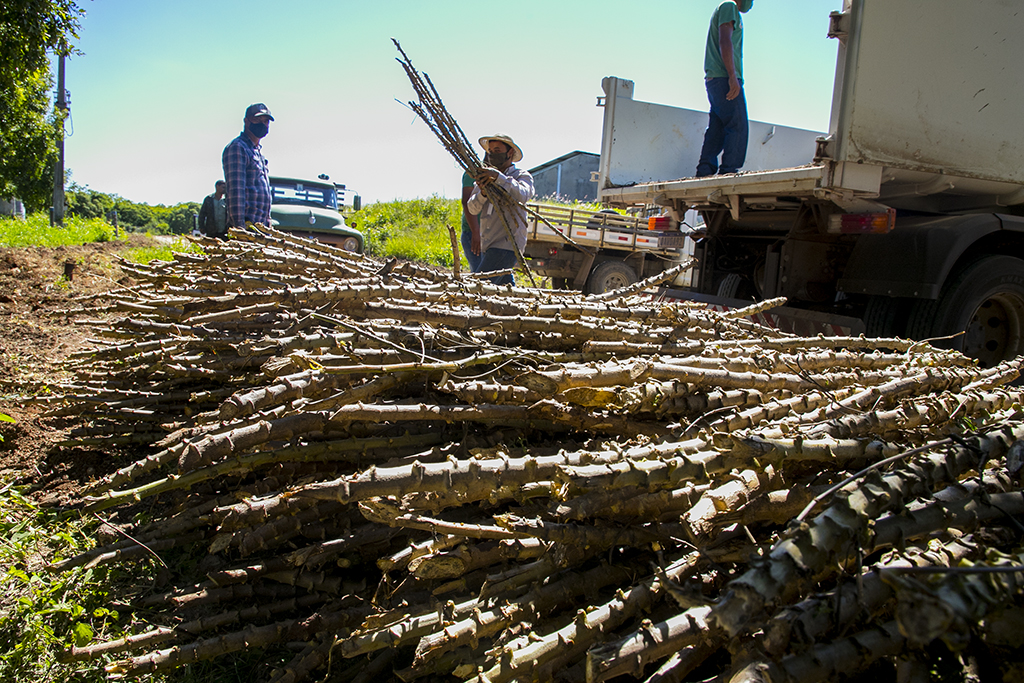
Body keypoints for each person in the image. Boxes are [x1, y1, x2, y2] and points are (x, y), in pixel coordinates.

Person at [466, 134, 535, 285]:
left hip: (507, 245)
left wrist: (499, 178)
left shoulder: (521, 176)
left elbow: (523, 194)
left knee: (479, 285)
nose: (492, 154)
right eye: (490, 151)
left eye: (497, 150)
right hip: (489, 245)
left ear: (509, 153)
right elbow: (472, 208)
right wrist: (483, 193)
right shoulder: (484, 177)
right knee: (505, 290)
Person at [695, 0, 753, 178]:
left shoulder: (726, 8)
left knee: (718, 127)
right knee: (738, 125)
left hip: (715, 79)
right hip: (724, 77)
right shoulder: (730, 7)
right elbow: (725, 41)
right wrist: (732, 77)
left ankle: (705, 170)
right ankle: (729, 171)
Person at [222, 103, 274, 229]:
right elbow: (236, 191)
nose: (262, 124)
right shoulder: (238, 148)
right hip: (247, 226)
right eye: (257, 119)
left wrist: (268, 223)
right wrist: (240, 229)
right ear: (246, 121)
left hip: (260, 227)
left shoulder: (257, 152)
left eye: (266, 121)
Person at [461, 170, 482, 272]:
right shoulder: (473, 173)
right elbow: (466, 201)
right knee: (480, 274)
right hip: (473, 233)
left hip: (488, 233)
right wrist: (475, 231)